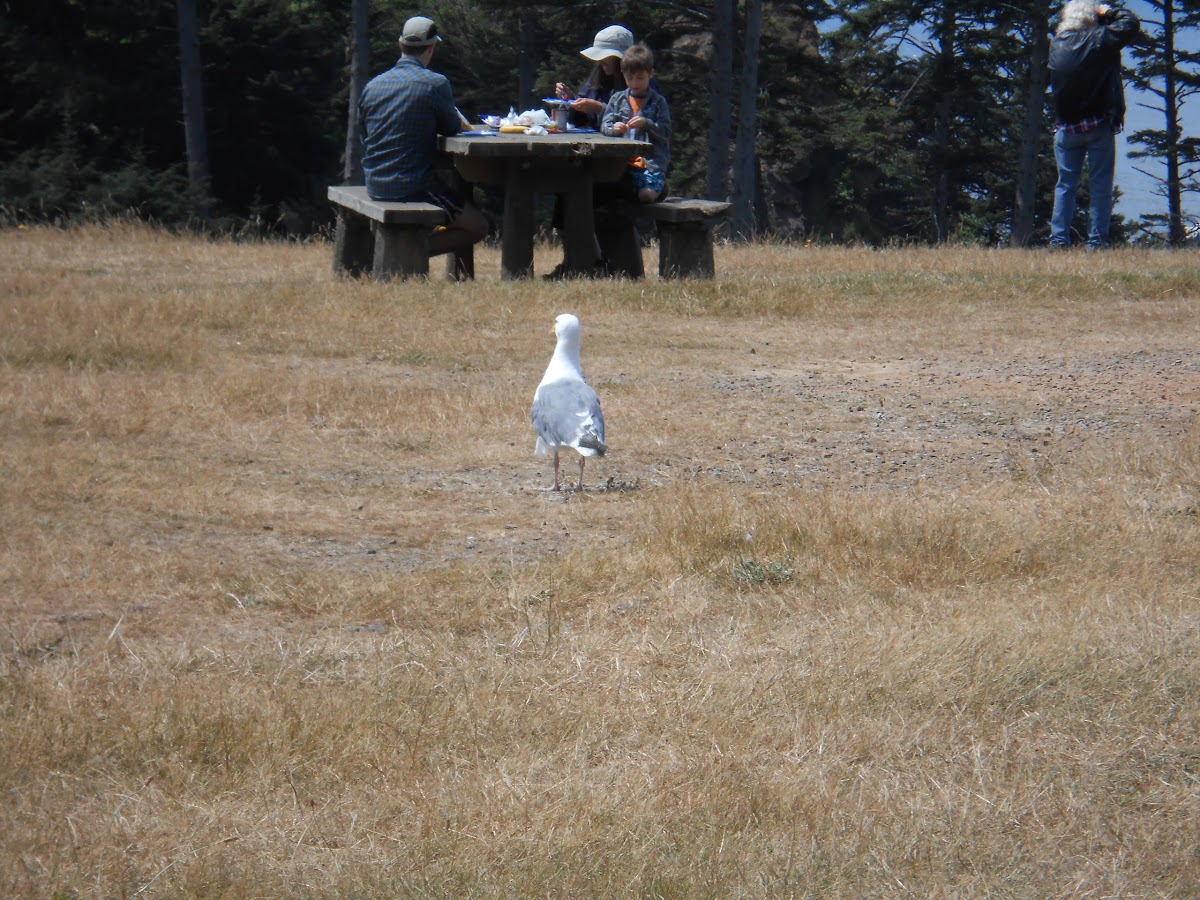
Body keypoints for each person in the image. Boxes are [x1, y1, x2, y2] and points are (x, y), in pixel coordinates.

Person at [358, 15, 488, 257]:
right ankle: (408, 254)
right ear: (431, 48)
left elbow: (364, 135)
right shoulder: (435, 84)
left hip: (375, 182)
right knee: (477, 226)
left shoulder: (373, 85)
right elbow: (452, 128)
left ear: (400, 46)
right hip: (412, 185)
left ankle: (405, 251)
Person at [1048, 1, 1141, 250]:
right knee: (1100, 187)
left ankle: (1058, 241)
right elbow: (1129, 25)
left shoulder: (1057, 44)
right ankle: (1097, 243)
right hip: (1097, 125)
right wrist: (1107, 12)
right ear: (1092, 19)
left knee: (1065, 185)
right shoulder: (1098, 40)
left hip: (1066, 128)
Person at [601, 44, 671, 204]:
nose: (634, 82)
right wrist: (613, 129)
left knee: (645, 197)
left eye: (640, 77)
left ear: (650, 74)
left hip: (650, 163)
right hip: (621, 163)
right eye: (629, 78)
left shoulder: (659, 102)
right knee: (608, 194)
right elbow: (605, 126)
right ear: (623, 75)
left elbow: (666, 132)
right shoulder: (617, 99)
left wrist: (647, 124)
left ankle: (659, 187)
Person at [555, 26, 635, 130]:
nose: (601, 61)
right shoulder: (598, 76)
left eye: (606, 57)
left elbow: (633, 120)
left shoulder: (639, 81)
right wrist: (571, 100)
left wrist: (599, 108)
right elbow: (578, 120)